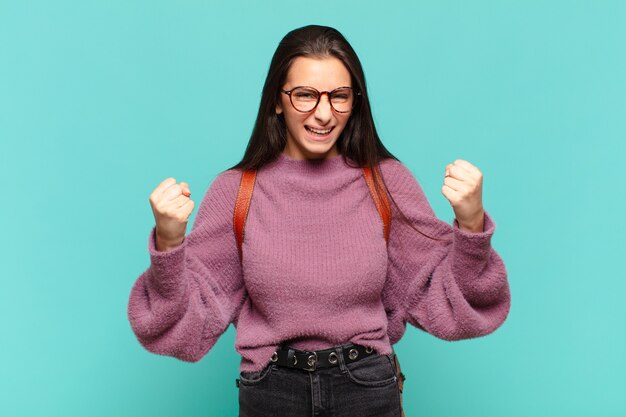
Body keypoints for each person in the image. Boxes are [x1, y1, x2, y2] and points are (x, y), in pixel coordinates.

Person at [127, 25, 511, 417]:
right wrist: (170, 245)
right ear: (277, 101)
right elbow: (182, 329)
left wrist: (471, 226)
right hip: (271, 393)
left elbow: (456, 304)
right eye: (305, 95)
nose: (324, 113)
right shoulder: (236, 192)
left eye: (339, 97)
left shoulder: (386, 183)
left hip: (366, 389)